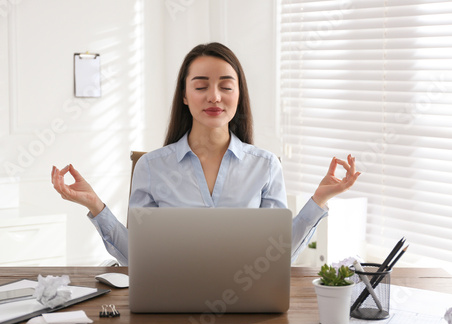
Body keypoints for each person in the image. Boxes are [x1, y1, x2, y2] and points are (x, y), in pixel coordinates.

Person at [51, 42, 360, 266]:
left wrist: (319, 200)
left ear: (239, 94)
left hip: (245, 299)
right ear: (184, 96)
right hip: (169, 299)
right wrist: (95, 205)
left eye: (226, 86)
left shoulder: (265, 167)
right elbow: (136, 256)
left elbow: (277, 256)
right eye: (201, 86)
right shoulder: (151, 167)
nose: (214, 96)